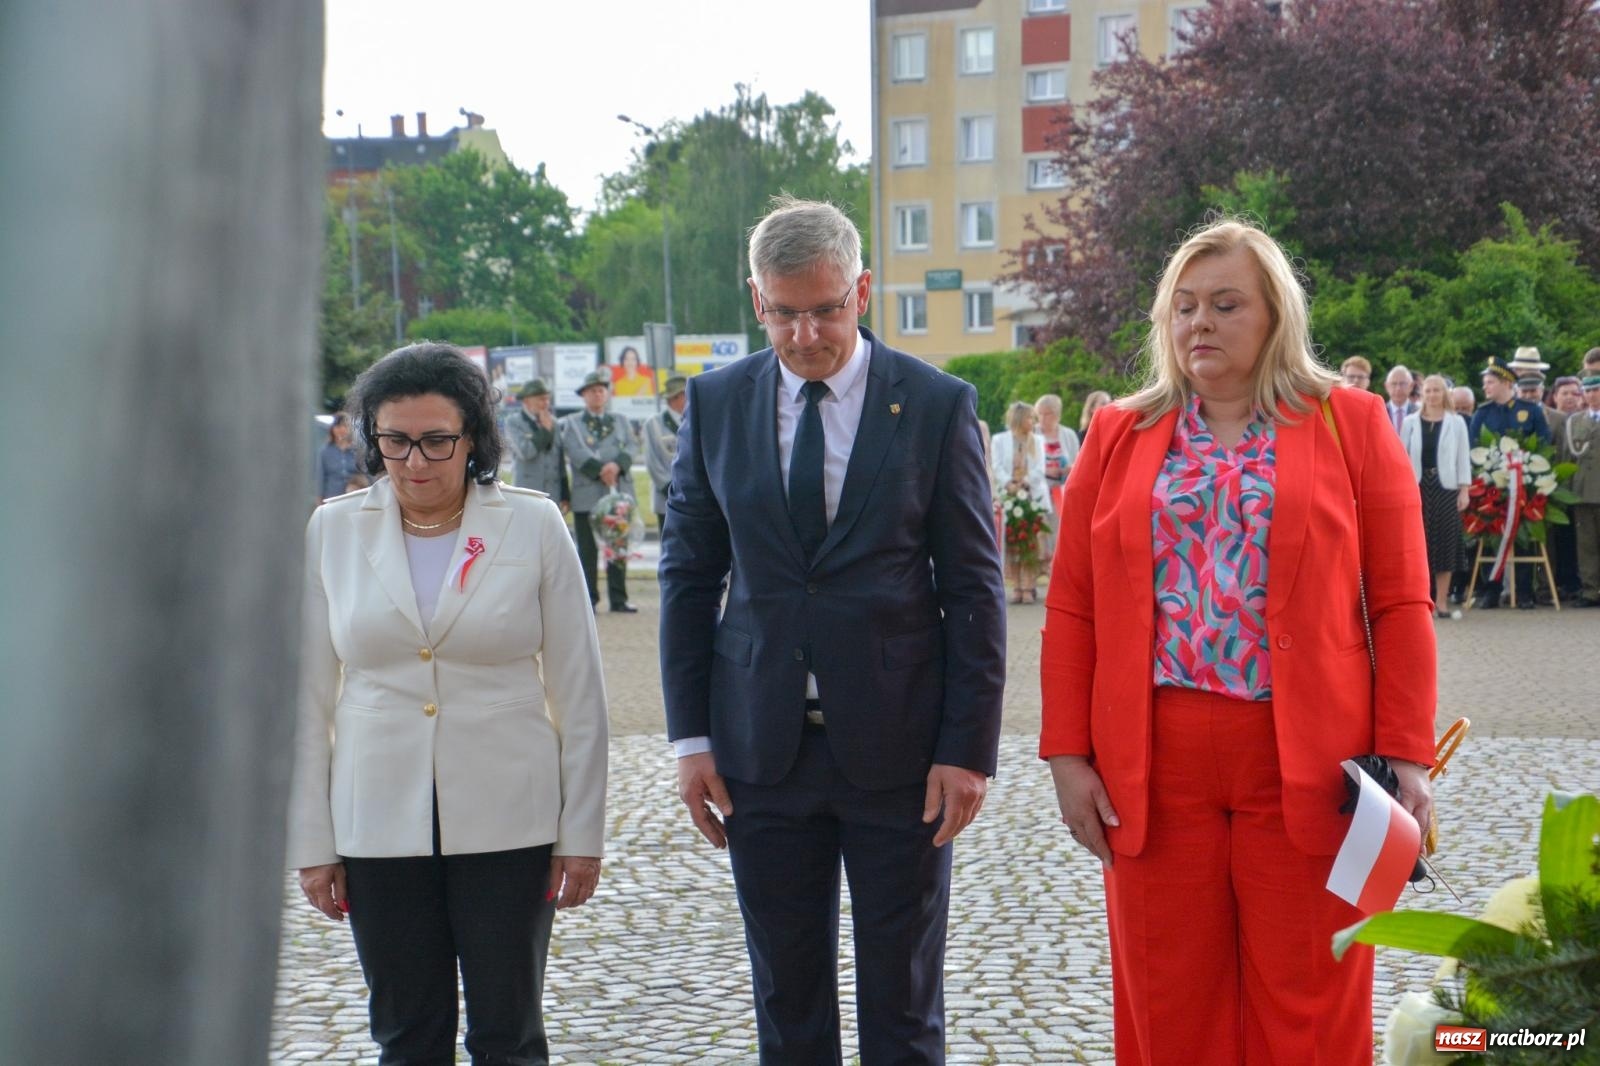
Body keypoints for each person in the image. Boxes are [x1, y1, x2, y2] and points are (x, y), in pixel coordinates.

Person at [1040, 219, 1436, 1065]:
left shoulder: (1352, 424)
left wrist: (1406, 754)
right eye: (1183, 307)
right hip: (1153, 761)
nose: (1199, 325)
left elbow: (1401, 604)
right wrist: (1067, 756)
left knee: (1311, 1005)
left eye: (1225, 305)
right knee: (1167, 1002)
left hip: (1310, 763)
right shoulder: (1116, 434)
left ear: (1274, 318)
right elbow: (1071, 606)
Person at [660, 196, 1006, 1065]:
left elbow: (973, 587)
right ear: (756, 301)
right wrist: (691, 738)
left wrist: (968, 748)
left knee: (903, 1002)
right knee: (787, 999)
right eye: (784, 313)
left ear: (862, 290)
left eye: (824, 309)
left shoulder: (933, 404)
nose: (805, 334)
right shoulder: (717, 403)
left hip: (901, 752)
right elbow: (689, 577)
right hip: (759, 754)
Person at [286, 342, 609, 1066]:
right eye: (394, 441)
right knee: (406, 1036)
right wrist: (312, 844)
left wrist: (580, 830)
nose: (415, 461)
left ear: (474, 440)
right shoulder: (331, 531)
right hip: (375, 824)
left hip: (510, 821)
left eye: (437, 441)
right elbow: (306, 704)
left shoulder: (533, 527)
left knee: (508, 1033)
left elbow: (580, 692)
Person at [1468, 356, 1551, 609]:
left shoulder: (1530, 410)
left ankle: (1524, 591)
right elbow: (1474, 448)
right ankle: (1491, 590)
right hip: (1491, 486)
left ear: (1506, 382)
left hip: (1525, 485)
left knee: (1523, 535)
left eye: (1490, 382)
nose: (1485, 387)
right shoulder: (1482, 413)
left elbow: (1544, 443)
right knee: (1492, 533)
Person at [560, 370, 637, 613]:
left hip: (617, 493)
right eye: (592, 390)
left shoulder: (621, 420)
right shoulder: (572, 423)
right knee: (588, 551)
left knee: (617, 547)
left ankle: (619, 598)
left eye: (602, 389)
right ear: (584, 395)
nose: (598, 393)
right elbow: (574, 450)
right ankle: (589, 599)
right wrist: (601, 469)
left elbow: (633, 445)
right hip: (587, 493)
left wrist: (617, 465)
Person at [1401, 375, 1472, 618]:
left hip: (1446, 488)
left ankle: (1441, 601)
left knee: (1445, 545)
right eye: (1428, 391)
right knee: (1418, 545)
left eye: (1437, 391)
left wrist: (1464, 489)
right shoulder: (1410, 422)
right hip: (1417, 488)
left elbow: (1463, 457)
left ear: (1444, 394)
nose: (1432, 395)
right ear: (1422, 394)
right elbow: (1401, 459)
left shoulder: (1456, 422)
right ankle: (1420, 601)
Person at [992, 400, 1050, 603]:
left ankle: (1029, 586)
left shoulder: (1037, 441)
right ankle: (1016, 585)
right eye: (1029, 417)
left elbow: (1039, 469)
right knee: (1013, 542)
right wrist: (1009, 484)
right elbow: (997, 466)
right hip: (1010, 497)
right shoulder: (1000, 440)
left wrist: (1024, 483)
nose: (1032, 422)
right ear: (1019, 419)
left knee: (1031, 543)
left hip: (1032, 496)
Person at [1548, 375, 1586, 600]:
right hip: (1556, 491)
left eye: (1575, 393)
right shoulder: (1549, 420)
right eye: (1565, 393)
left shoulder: (1587, 419)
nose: (1570, 398)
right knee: (1560, 541)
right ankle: (1562, 584)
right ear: (1554, 397)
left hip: (1583, 490)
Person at [504, 379, 570, 506]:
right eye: (541, 399)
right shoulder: (513, 422)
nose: (546, 403)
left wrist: (565, 494)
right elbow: (526, 452)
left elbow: (559, 460)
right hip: (527, 493)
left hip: (552, 494)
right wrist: (544, 431)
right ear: (526, 401)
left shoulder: (554, 423)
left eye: (547, 399)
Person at [1034, 393, 1080, 564]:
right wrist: (1045, 470)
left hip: (1061, 490)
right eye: (1040, 413)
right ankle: (1037, 570)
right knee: (1038, 532)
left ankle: (1056, 567)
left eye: (1048, 413)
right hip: (1038, 490)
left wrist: (1068, 469)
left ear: (1057, 414)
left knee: (1059, 531)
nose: (1043, 418)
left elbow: (1078, 462)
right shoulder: (1033, 432)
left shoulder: (1068, 434)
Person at [1568, 375, 1600, 607]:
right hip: (1583, 492)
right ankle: (1590, 591)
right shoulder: (1575, 421)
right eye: (1587, 391)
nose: (1592, 395)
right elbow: (1567, 458)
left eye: (1596, 390)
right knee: (1586, 545)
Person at [644, 375, 688, 536]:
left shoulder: (694, 418)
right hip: (666, 497)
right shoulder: (654, 423)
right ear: (675, 398)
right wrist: (672, 489)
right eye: (685, 394)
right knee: (670, 544)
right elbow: (652, 462)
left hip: (695, 497)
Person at [318, 412, 360, 502]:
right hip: (332, 498)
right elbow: (320, 477)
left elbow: (367, 474)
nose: (341, 430)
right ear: (332, 429)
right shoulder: (325, 451)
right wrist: (319, 500)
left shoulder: (357, 450)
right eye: (337, 426)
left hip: (354, 497)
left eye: (344, 426)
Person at [1383, 364, 1417, 433]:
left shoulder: (1419, 413)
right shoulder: (1380, 412)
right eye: (1393, 384)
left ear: (1411, 386)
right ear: (1386, 386)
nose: (1398, 388)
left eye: (1402, 384)